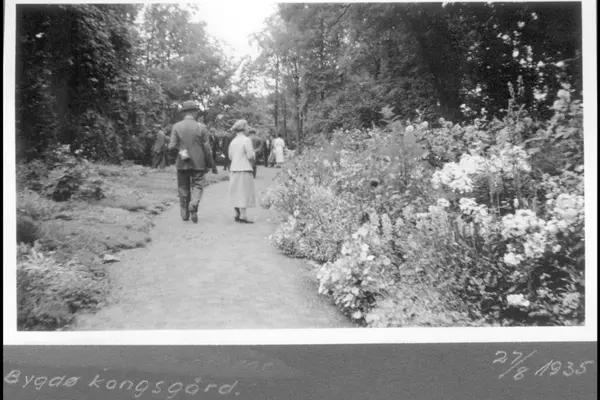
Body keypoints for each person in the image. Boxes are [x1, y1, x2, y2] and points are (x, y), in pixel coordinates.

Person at [168, 100, 218, 223]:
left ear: (184, 113)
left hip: (182, 162)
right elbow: (207, 148)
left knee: (183, 187)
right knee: (198, 185)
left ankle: (185, 214)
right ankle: (194, 204)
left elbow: (171, 146)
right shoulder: (202, 127)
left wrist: (182, 153)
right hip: (198, 162)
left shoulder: (176, 126)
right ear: (194, 112)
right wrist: (211, 164)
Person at [228, 119, 256, 224]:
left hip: (234, 168)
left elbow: (230, 156)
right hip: (244, 168)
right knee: (244, 192)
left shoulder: (233, 141)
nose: (248, 128)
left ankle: (237, 213)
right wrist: (253, 156)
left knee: (235, 191)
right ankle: (243, 215)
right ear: (244, 128)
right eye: (247, 126)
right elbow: (250, 156)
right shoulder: (246, 140)